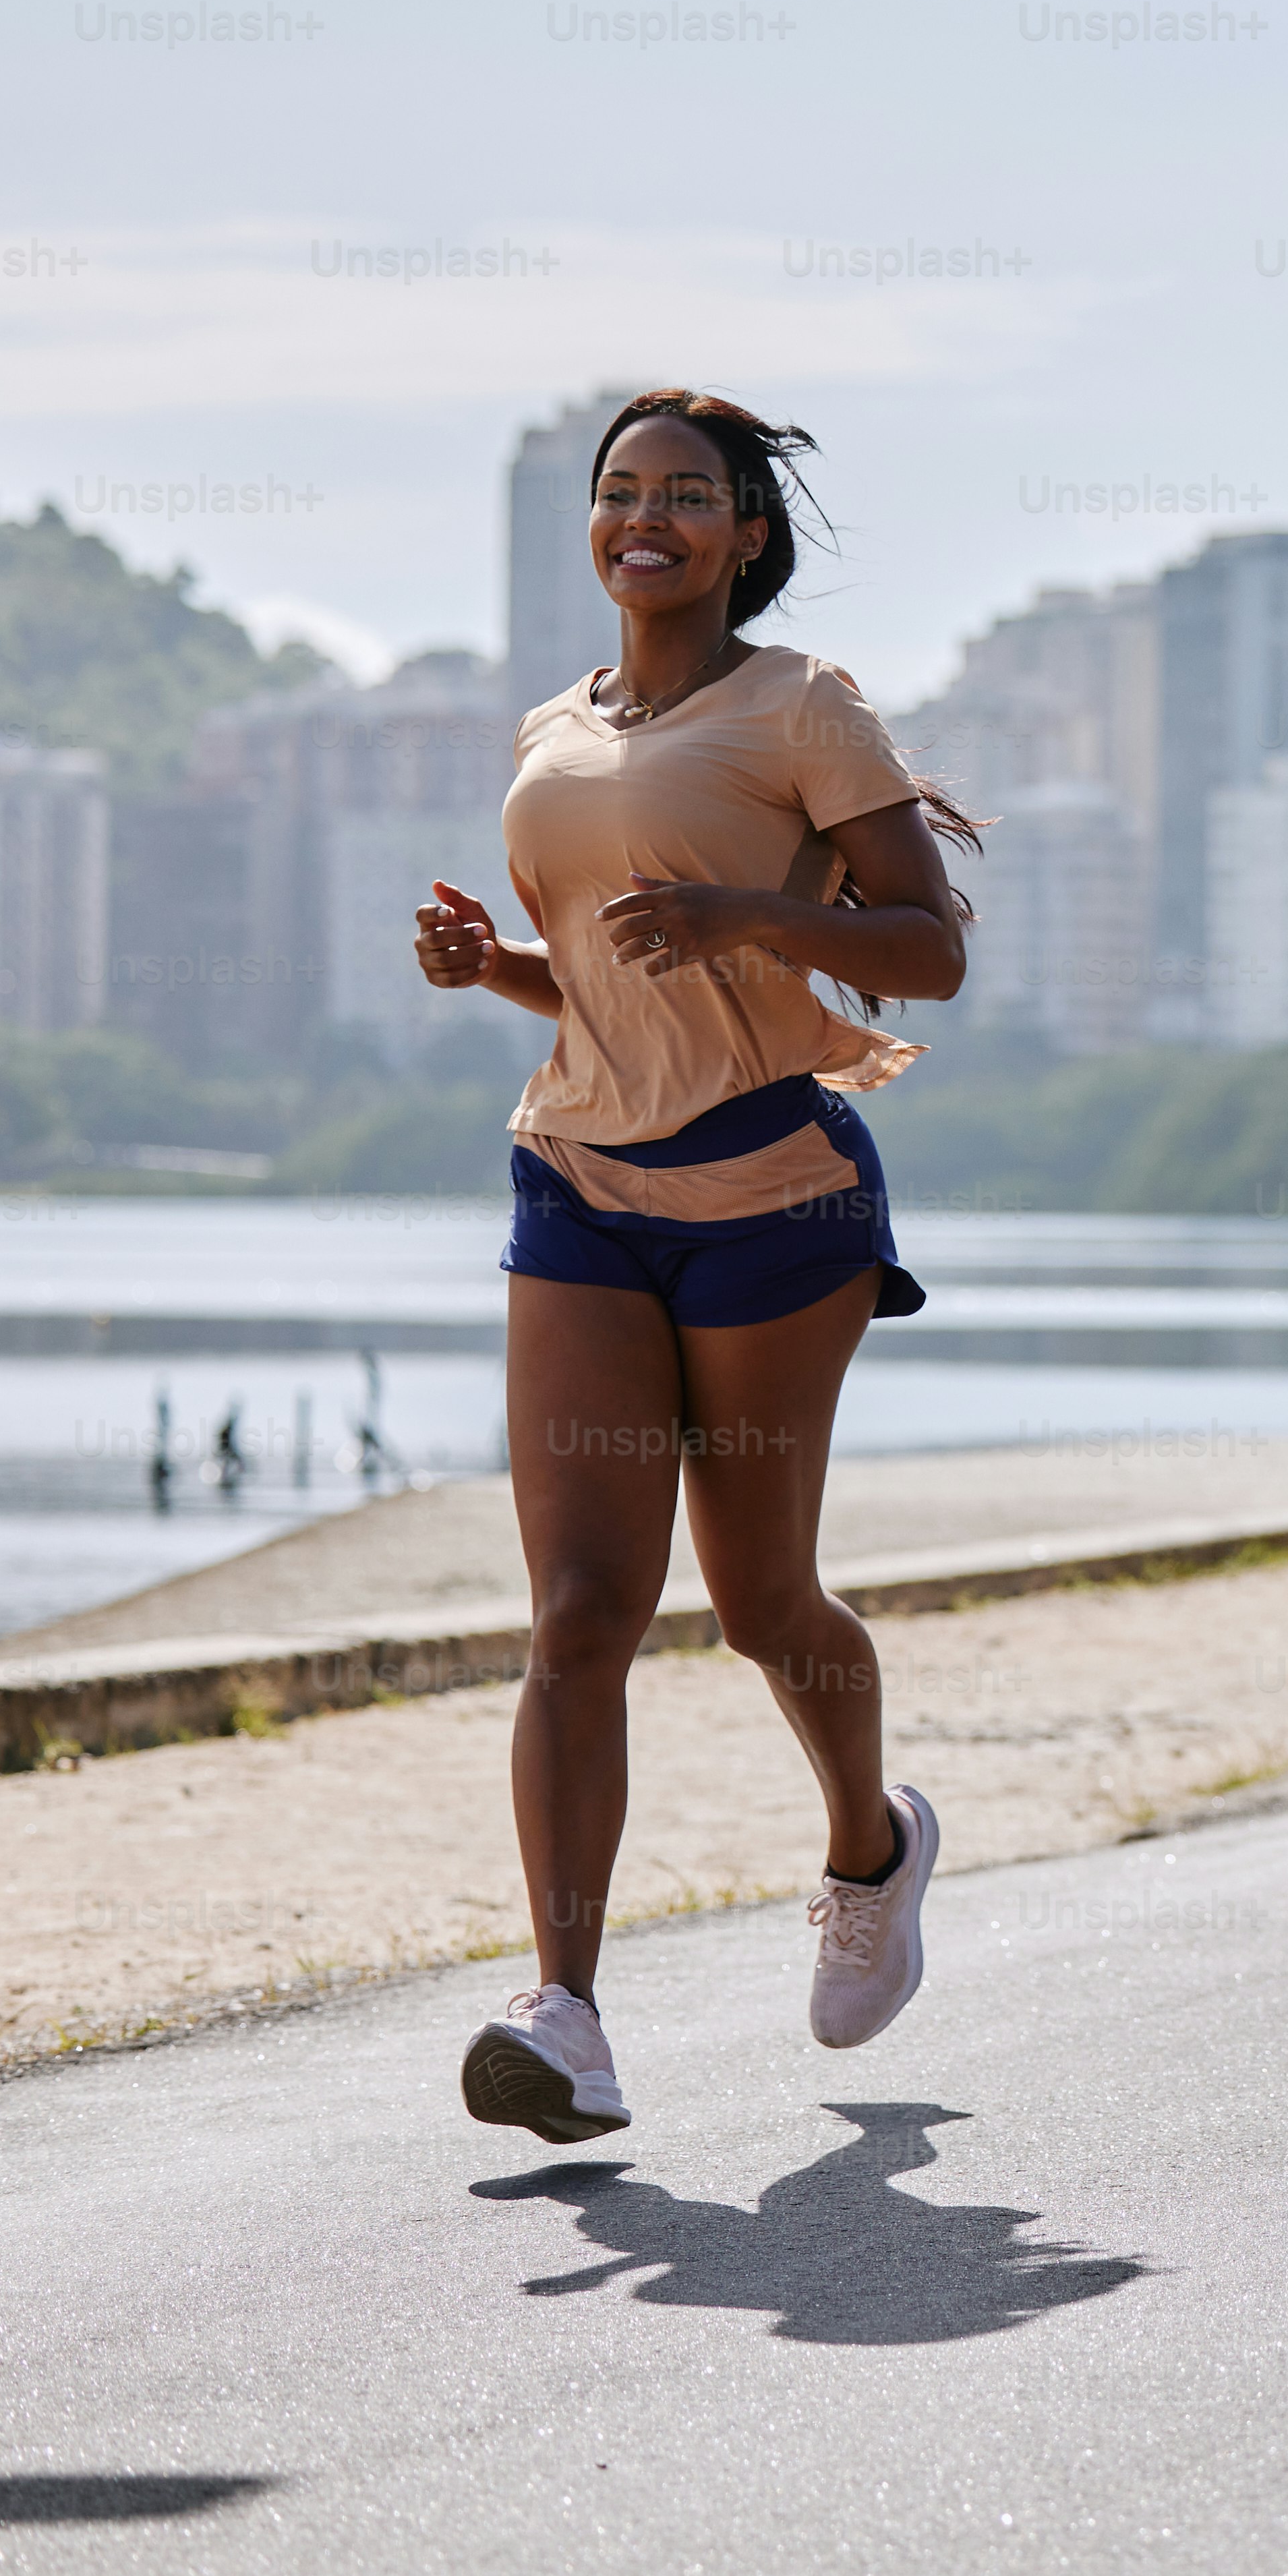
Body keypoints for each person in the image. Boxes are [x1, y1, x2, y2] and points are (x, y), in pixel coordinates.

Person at [416, 388, 978, 2142]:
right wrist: (497, 965)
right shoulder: (553, 726)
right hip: (578, 1174)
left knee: (754, 1601)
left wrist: (750, 914)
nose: (642, 516)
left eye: (682, 495)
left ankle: (869, 1850)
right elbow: (616, 973)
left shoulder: (799, 704)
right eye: (617, 492)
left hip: (769, 1187)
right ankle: (566, 2011)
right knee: (579, 1611)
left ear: (744, 533)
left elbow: (928, 951)